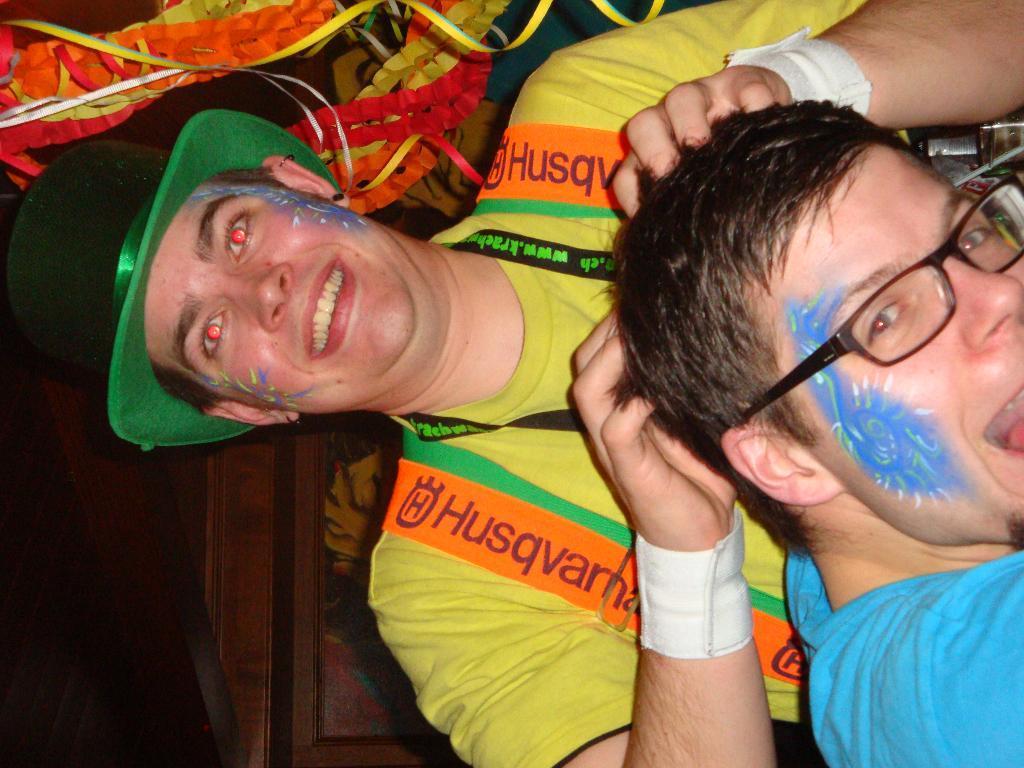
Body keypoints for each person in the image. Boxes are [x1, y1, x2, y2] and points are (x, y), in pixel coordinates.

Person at [6, 0, 1020, 765]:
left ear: (299, 182)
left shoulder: (593, 105)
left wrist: (808, 76)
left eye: (234, 234)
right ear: (247, 408)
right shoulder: (439, 592)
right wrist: (684, 560)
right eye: (214, 332)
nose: (262, 290)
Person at [604, 95, 1024, 767]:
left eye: (972, 236)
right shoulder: (982, 690)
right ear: (785, 461)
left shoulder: (869, 561)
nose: (1005, 294)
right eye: (885, 317)